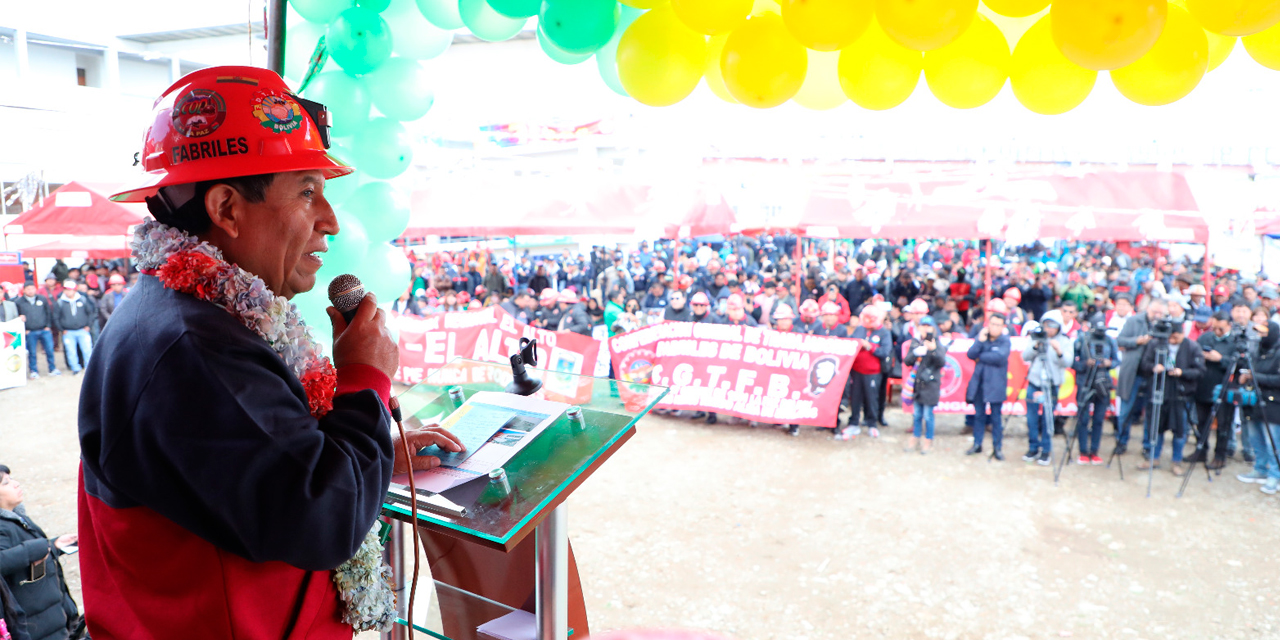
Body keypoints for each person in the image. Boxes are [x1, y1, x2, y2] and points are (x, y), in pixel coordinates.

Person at [80, 66, 465, 638]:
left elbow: (263, 473)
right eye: (308, 191)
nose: (330, 221)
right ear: (227, 208)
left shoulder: (191, 315)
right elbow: (320, 517)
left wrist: (368, 454)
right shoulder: (196, 348)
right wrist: (364, 381)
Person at [0, 464, 83, 640]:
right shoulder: (2, 527)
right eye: (6, 483)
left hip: (55, 620)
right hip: (37, 628)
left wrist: (54, 545)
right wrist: (37, 548)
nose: (16, 484)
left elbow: (24, 553)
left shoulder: (16, 517)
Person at [1137, 322, 1204, 476]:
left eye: (1177, 337)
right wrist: (1154, 367)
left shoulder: (1192, 347)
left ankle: (1176, 461)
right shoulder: (1156, 344)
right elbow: (1144, 364)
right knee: (1156, 427)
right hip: (1159, 391)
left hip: (1181, 394)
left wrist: (1182, 372)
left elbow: (1200, 371)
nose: (1173, 340)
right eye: (1171, 337)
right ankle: (1154, 458)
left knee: (1180, 430)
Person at [1114, 297, 1168, 457]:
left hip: (1153, 374)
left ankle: (1147, 445)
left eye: (1160, 313)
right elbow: (1120, 340)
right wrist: (1137, 341)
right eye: (1154, 311)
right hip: (1133, 372)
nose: (1157, 315)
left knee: (1151, 413)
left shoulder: (1164, 325)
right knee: (1125, 410)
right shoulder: (1134, 321)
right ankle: (1121, 441)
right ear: (1147, 309)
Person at [1021, 316, 1073, 466]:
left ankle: (1046, 450)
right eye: (1046, 325)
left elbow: (1068, 362)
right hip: (1034, 382)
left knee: (1047, 419)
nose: (1049, 329)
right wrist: (1036, 346)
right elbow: (1025, 356)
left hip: (1051, 384)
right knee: (1031, 418)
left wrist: (1059, 351)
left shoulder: (1064, 341)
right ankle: (1033, 448)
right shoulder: (1036, 337)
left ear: (1058, 327)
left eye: (1052, 325)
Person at [1193, 312, 1237, 470]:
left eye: (1221, 328)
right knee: (1202, 422)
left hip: (1224, 388)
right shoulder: (1206, 337)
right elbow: (1193, 353)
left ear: (1229, 326)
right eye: (1215, 327)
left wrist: (1221, 359)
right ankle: (1201, 450)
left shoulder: (1235, 342)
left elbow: (1239, 364)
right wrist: (1201, 356)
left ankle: (1220, 456)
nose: (1217, 331)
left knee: (1223, 425)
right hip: (1203, 386)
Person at [1073, 315, 1119, 465]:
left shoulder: (1109, 341)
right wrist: (1085, 364)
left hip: (1102, 382)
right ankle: (1083, 451)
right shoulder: (1082, 339)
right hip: (1085, 381)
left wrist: (1108, 363)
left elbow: (1116, 360)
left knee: (1099, 419)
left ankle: (1095, 451)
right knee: (1083, 418)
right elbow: (1072, 360)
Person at [966, 314, 1011, 459]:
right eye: (992, 324)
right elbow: (971, 354)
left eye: (998, 325)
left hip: (996, 384)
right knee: (978, 416)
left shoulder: (1005, 340)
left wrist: (982, 356)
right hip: (980, 383)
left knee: (996, 418)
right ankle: (977, 444)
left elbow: (1000, 358)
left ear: (1003, 327)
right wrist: (979, 341)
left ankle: (997, 448)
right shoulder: (982, 339)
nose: (994, 327)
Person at [843, 305, 890, 438]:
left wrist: (870, 347)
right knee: (856, 397)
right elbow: (850, 343)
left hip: (873, 372)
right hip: (857, 370)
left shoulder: (884, 333)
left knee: (871, 398)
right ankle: (853, 423)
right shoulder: (859, 329)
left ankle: (872, 423)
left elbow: (885, 352)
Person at [903, 322, 944, 454]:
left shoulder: (937, 343)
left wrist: (932, 350)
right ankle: (915, 437)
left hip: (931, 385)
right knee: (917, 414)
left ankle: (928, 439)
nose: (925, 329)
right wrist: (916, 353)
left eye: (928, 327)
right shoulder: (916, 342)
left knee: (928, 415)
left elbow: (941, 362)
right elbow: (907, 361)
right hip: (918, 384)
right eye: (922, 326)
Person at [14, 284, 59, 379]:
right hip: (30, 332)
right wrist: (25, 329)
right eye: (28, 289)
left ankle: (52, 368)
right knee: (32, 352)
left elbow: (48, 312)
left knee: (50, 350)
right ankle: (33, 371)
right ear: (24, 290)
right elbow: (18, 316)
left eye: (32, 288)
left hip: (44, 330)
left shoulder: (42, 299)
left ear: (35, 289)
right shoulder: (19, 302)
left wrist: (48, 326)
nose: (30, 291)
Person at [52, 281, 93, 375]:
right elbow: (56, 317)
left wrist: (88, 326)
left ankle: (89, 368)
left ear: (74, 290)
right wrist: (62, 329)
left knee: (87, 350)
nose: (67, 292)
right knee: (71, 351)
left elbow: (90, 313)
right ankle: (75, 368)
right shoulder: (60, 302)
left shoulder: (82, 299)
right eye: (66, 290)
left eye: (70, 290)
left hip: (83, 330)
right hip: (68, 332)